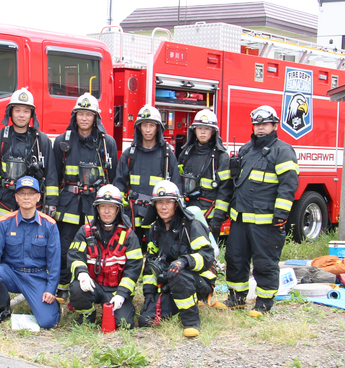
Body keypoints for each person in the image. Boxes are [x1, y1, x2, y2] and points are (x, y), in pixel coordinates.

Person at [215, 106, 299, 317]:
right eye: (257, 124)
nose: (260, 128)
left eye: (264, 124)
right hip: (241, 218)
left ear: (274, 125)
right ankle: (237, 297)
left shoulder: (283, 151)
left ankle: (264, 303)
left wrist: (281, 215)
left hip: (266, 220)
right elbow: (233, 186)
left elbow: (288, 186)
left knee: (265, 261)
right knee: (235, 258)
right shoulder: (245, 150)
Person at [53, 93, 118, 301]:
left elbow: (112, 177)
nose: (84, 118)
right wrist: (52, 204)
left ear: (95, 117)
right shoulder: (62, 142)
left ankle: (95, 284)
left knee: (96, 246)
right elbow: (55, 175)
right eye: (80, 113)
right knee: (66, 247)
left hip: (95, 205)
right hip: (69, 204)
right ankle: (63, 286)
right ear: (75, 116)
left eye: (88, 114)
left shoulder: (107, 143)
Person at [138, 180, 216, 337]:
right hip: (171, 281)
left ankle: (191, 321)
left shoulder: (191, 225)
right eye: (159, 202)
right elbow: (151, 264)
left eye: (168, 202)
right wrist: (149, 294)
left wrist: (185, 261)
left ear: (177, 204)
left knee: (177, 271)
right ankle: (176, 305)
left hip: (198, 279)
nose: (164, 207)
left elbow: (207, 256)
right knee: (145, 321)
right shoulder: (154, 229)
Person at [0, 176, 61, 329]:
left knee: (47, 322)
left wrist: (51, 289)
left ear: (38, 197)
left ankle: (53, 306)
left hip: (36, 277)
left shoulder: (49, 225)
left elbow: (54, 262)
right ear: (16, 198)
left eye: (31, 193)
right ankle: (2, 308)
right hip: (12, 274)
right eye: (22, 193)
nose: (26, 197)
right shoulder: (4, 222)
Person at [67, 185, 142, 328]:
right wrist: (82, 274)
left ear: (118, 209)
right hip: (92, 285)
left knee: (124, 325)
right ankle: (87, 315)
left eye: (111, 207)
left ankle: (122, 305)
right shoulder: (85, 231)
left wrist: (121, 294)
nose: (106, 211)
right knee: (77, 289)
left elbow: (133, 269)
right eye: (102, 207)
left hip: (116, 288)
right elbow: (74, 256)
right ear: (97, 209)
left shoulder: (128, 235)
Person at [0, 88, 58, 219]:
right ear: (10, 112)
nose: (21, 115)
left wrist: (51, 202)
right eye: (17, 110)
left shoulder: (41, 140)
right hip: (4, 202)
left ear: (31, 114)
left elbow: (51, 173)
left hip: (32, 202)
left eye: (26, 111)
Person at [114, 104, 181, 252]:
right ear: (139, 127)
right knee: (131, 255)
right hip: (132, 215)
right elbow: (119, 186)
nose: (148, 129)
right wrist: (123, 213)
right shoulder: (128, 155)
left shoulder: (167, 155)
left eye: (152, 125)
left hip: (158, 215)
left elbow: (176, 188)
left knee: (157, 255)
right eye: (145, 125)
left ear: (158, 128)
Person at [178, 109, 232, 241]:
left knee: (207, 255)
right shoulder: (186, 153)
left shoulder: (221, 157)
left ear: (213, 131)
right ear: (194, 130)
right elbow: (178, 182)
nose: (202, 132)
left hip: (209, 217)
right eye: (200, 128)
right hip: (187, 213)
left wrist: (217, 219)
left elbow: (225, 190)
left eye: (207, 128)